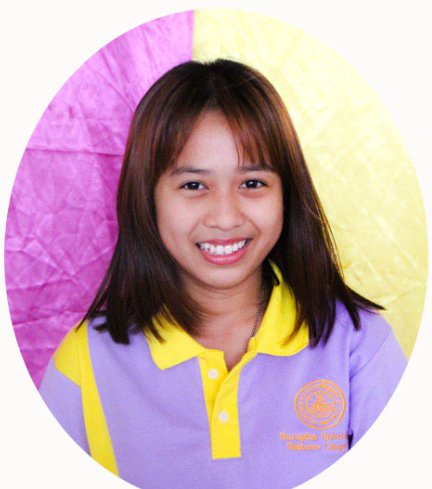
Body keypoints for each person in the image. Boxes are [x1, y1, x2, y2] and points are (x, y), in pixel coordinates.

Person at [39, 59, 407, 489]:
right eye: (193, 185)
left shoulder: (360, 347)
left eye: (252, 183)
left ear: (286, 194)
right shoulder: (85, 361)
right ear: (148, 198)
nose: (225, 217)